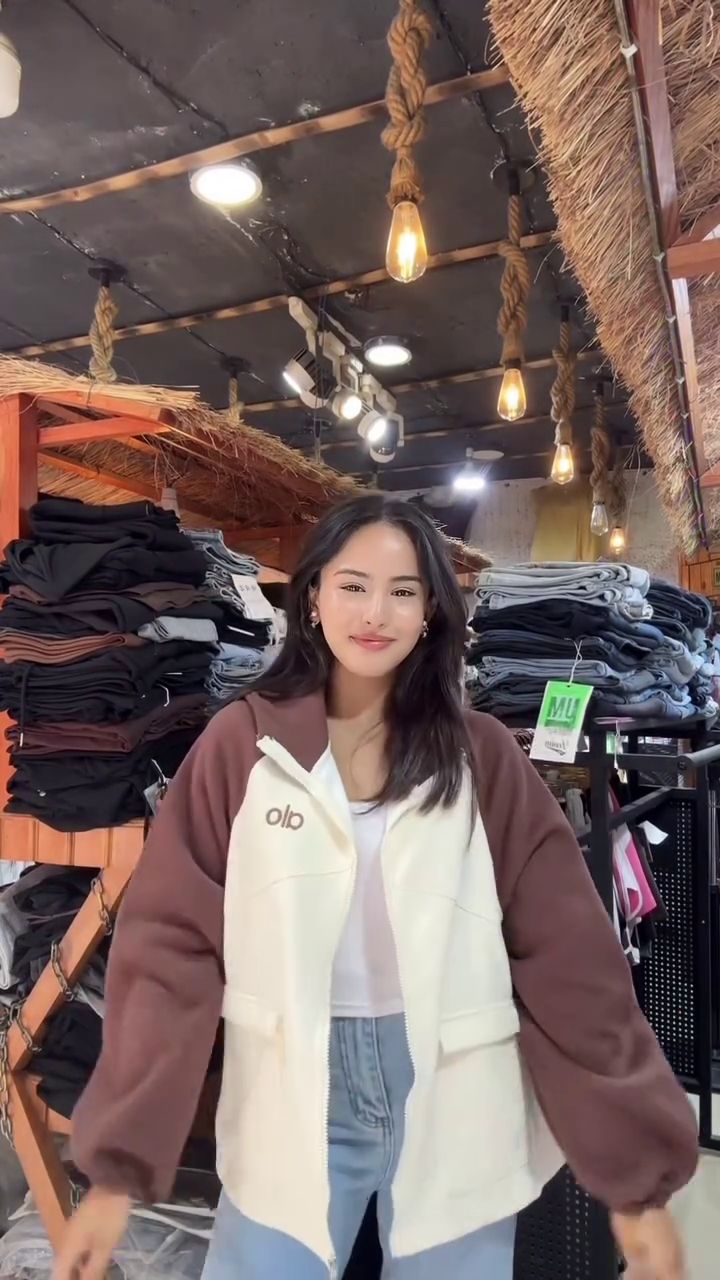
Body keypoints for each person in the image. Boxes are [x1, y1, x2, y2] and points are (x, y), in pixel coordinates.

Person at [56, 494, 696, 1280]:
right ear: (313, 598)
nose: (375, 612)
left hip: (455, 1088)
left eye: (402, 591)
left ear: (430, 612)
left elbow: (571, 962)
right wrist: (118, 1169)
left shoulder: (484, 758)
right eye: (353, 585)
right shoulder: (240, 748)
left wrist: (637, 1185)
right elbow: (167, 952)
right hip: (292, 1092)